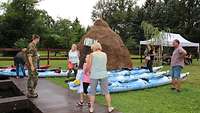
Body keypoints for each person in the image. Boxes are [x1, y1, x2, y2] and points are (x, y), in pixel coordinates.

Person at [87, 42, 114, 113]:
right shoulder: (104, 54)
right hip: (103, 74)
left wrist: (87, 71)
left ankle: (91, 108)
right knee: (106, 92)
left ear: (94, 48)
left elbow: (88, 65)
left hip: (94, 75)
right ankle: (109, 107)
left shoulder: (92, 55)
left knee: (92, 92)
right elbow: (105, 63)